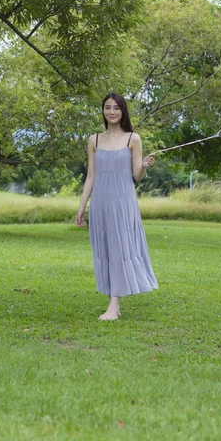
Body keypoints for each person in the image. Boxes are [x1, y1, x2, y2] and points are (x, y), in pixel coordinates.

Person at [75, 92, 158, 320]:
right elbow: (91, 176)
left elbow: (136, 176)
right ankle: (114, 302)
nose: (111, 111)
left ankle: (113, 305)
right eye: (107, 107)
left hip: (123, 202)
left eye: (116, 108)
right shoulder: (94, 140)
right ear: (103, 111)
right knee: (106, 249)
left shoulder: (134, 139)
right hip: (101, 202)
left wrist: (144, 165)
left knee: (120, 249)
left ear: (123, 111)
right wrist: (82, 206)